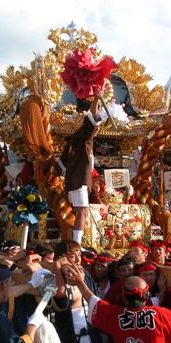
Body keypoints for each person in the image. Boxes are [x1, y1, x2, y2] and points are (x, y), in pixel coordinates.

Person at [61, 93, 104, 244]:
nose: (98, 127)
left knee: (81, 211)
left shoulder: (80, 140)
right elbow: (92, 116)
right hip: (79, 182)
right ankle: (76, 244)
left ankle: (75, 242)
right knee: (82, 211)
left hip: (76, 181)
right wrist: (97, 99)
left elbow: (62, 162)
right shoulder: (84, 135)